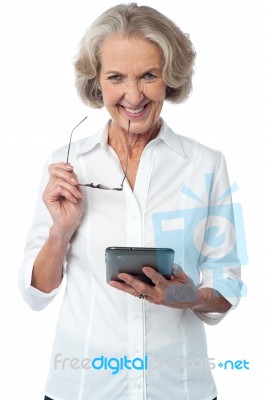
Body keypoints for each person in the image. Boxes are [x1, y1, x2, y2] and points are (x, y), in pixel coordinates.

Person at [19, 3, 242, 400]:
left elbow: (226, 283)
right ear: (97, 82)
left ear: (170, 78)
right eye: (116, 77)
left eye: (149, 76)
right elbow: (36, 293)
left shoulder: (206, 165)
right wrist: (61, 231)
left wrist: (183, 296)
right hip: (84, 386)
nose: (133, 95)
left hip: (178, 388)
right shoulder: (67, 166)